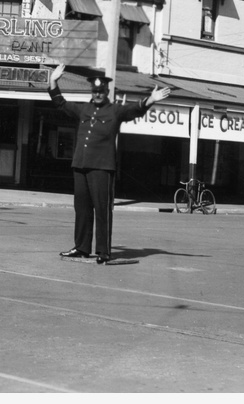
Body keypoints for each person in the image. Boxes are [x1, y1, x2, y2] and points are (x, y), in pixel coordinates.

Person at [49, 62, 171, 264]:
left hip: (102, 168)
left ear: (107, 92)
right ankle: (82, 248)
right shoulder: (84, 110)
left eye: (101, 91)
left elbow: (135, 110)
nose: (98, 94)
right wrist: (53, 81)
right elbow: (60, 102)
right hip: (80, 165)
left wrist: (151, 100)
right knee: (82, 209)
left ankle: (103, 251)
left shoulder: (115, 111)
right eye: (95, 91)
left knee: (102, 210)